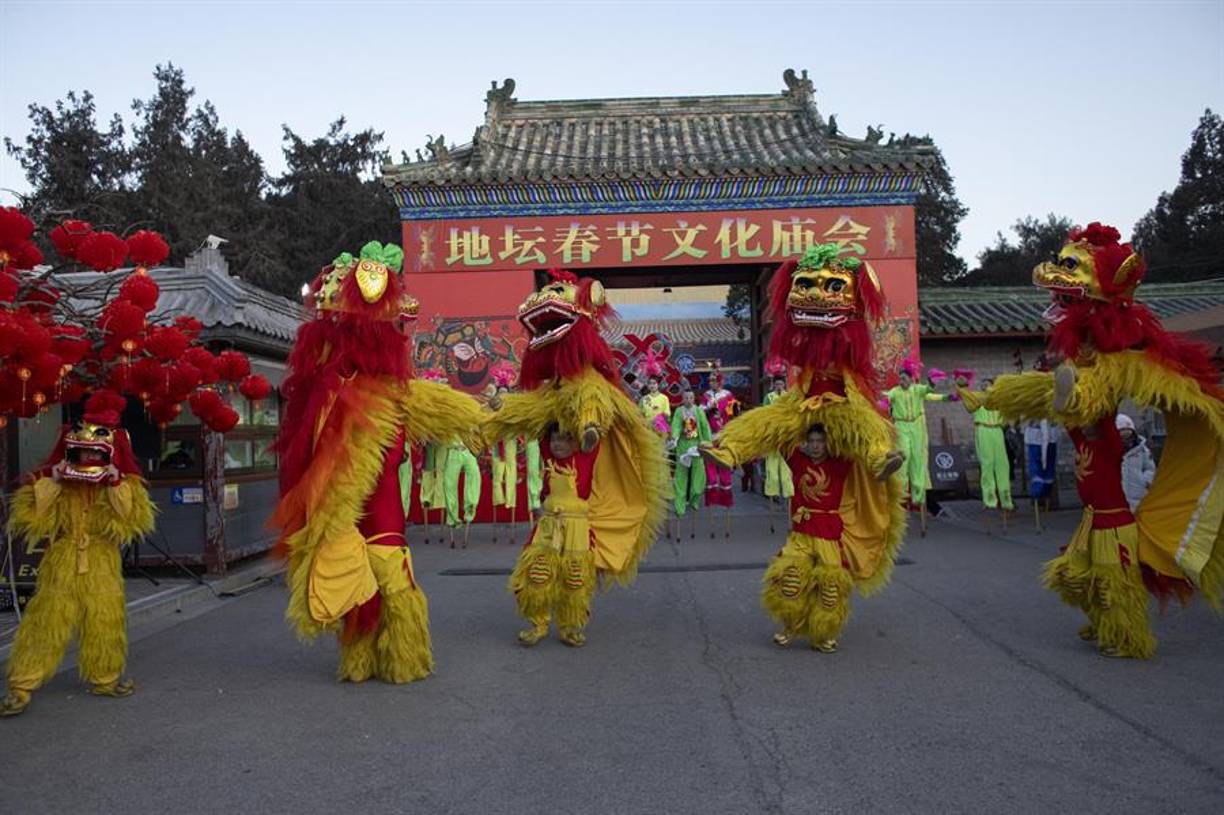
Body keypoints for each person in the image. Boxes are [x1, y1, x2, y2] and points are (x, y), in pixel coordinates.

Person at [270, 242, 484, 684]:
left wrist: (493, 422)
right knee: (349, 578)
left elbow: (456, 413)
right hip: (339, 504)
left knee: (390, 573)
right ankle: (358, 659)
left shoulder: (399, 392)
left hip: (383, 503)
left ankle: (403, 655)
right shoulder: (324, 392)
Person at [2, 409, 155, 717]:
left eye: (93, 447)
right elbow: (30, 515)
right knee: (46, 622)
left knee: (104, 621)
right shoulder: (55, 480)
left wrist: (114, 483)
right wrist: (54, 479)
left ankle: (105, 678)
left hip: (101, 561)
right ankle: (21, 685)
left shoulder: (124, 484)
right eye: (81, 447)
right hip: (62, 560)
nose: (87, 452)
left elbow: (132, 520)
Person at [510, 424, 600, 646]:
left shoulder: (585, 456)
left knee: (574, 578)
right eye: (553, 440)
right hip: (549, 526)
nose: (557, 444)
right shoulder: (549, 456)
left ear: (575, 442)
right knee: (537, 573)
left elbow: (592, 442)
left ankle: (569, 627)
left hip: (577, 529)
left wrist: (589, 435)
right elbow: (537, 423)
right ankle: (538, 624)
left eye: (563, 439)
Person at [884, 357, 947, 509]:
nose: (901, 381)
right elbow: (887, 397)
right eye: (900, 379)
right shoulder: (895, 391)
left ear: (911, 379)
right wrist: (882, 401)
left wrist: (932, 382)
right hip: (902, 426)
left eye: (904, 379)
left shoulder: (917, 389)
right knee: (904, 456)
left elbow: (929, 391)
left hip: (917, 426)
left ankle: (919, 497)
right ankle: (901, 495)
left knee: (918, 459)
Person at [955, 371, 1014, 512]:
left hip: (997, 431)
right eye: (982, 384)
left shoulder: (1000, 399)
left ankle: (1006, 499)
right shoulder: (977, 398)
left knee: (1002, 464)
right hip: (983, 430)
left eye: (987, 384)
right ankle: (989, 499)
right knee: (987, 464)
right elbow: (967, 401)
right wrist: (961, 387)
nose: (984, 386)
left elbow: (1009, 415)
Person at [670, 387, 711, 520]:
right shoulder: (678, 411)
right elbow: (675, 425)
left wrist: (707, 442)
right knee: (681, 475)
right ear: (682, 398)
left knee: (699, 474)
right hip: (683, 444)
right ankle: (680, 505)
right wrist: (675, 436)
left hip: (696, 445)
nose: (688, 400)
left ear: (694, 398)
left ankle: (695, 497)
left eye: (691, 397)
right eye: (686, 397)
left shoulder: (698, 411)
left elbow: (705, 426)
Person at [762, 375, 794, 503]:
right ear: (774, 385)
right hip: (773, 434)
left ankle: (789, 495)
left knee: (787, 469)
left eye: (781, 384)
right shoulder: (768, 397)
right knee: (772, 468)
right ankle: (772, 492)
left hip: (786, 435)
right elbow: (764, 415)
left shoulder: (789, 397)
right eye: (777, 384)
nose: (779, 386)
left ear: (784, 385)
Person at [1116, 413, 1155, 512]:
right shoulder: (1113, 451)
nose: (1125, 438)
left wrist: (1145, 481)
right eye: (1122, 434)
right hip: (1119, 498)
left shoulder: (1142, 450)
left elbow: (1150, 468)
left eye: (1128, 433)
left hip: (1139, 498)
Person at [1024, 419, 1056, 501]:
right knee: (1036, 467)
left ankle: (1044, 493)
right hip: (1036, 435)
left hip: (1049, 435)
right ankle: (1038, 493)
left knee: (1048, 467)